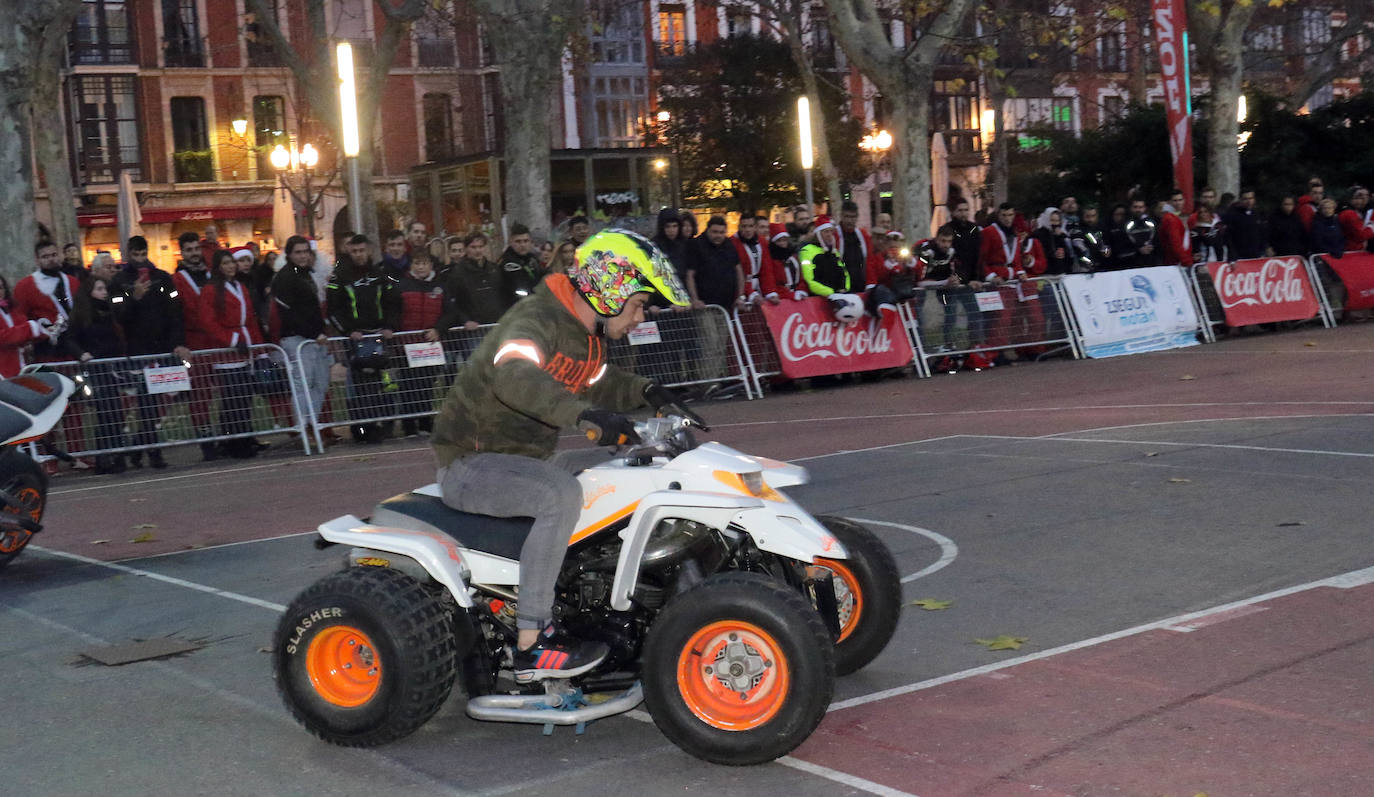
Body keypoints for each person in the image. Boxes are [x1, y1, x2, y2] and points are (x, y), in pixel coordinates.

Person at [430, 228, 692, 681]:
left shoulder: (585, 335)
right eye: (637, 305)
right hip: (472, 465)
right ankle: (532, 641)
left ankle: (614, 595)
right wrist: (584, 416)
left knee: (635, 468)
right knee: (560, 494)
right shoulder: (534, 320)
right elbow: (513, 376)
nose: (639, 318)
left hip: (528, 460)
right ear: (610, 291)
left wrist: (648, 392)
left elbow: (600, 381)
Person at [109, 236, 183, 469]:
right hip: (137, 350)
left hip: (162, 349)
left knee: (160, 402)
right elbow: (119, 314)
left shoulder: (163, 277)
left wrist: (178, 343)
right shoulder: (119, 281)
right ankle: (152, 451)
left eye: (143, 254)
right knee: (145, 403)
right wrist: (134, 298)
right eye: (136, 255)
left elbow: (175, 310)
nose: (140, 259)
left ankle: (140, 446)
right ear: (129, 253)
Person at [328, 234, 400, 444]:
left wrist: (389, 326)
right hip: (354, 339)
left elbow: (393, 302)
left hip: (378, 336)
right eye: (354, 251)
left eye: (362, 250)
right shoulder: (339, 275)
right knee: (358, 386)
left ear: (369, 250)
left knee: (383, 382)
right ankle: (361, 429)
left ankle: (384, 424)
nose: (359, 255)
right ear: (349, 251)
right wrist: (348, 331)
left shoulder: (380, 273)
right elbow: (333, 309)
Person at [200, 249, 265, 458]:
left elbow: (251, 320)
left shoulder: (240, 287)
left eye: (232, 263)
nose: (230, 267)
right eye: (226, 263)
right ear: (219, 267)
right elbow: (209, 322)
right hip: (228, 354)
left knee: (244, 398)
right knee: (233, 399)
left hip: (246, 349)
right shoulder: (211, 290)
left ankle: (243, 439)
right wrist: (233, 340)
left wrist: (259, 350)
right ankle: (235, 442)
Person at [272, 235, 335, 443]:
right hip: (297, 339)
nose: (302, 256)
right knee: (303, 385)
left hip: (315, 339)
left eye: (305, 251)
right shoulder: (284, 278)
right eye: (298, 252)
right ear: (289, 254)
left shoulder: (308, 274)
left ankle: (311, 423)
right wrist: (313, 333)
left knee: (320, 383)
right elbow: (289, 314)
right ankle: (301, 427)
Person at [169, 230, 222, 461]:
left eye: (196, 249)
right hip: (194, 341)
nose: (193, 254)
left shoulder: (212, 274)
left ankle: (231, 435)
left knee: (228, 389)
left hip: (217, 339)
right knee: (201, 395)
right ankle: (205, 439)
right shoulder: (176, 279)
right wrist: (180, 343)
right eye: (188, 250)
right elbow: (175, 313)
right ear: (181, 253)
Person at [70, 275, 128, 473]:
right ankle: (105, 457)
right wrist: (82, 354)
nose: (104, 292)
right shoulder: (83, 314)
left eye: (105, 288)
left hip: (110, 368)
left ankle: (116, 455)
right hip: (96, 370)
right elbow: (70, 338)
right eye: (100, 289)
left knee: (116, 413)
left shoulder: (109, 312)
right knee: (105, 414)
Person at [397, 254, 445, 437]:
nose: (421, 267)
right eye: (417, 262)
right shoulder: (402, 285)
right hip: (407, 344)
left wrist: (438, 329)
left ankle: (425, 421)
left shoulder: (439, 286)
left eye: (424, 263)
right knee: (408, 385)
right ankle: (409, 425)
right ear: (412, 265)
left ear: (430, 265)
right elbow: (395, 311)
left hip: (430, 345)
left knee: (427, 385)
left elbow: (449, 311)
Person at [917, 224, 983, 350]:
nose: (946, 245)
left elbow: (959, 269)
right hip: (922, 286)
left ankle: (950, 344)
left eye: (949, 241)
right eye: (943, 241)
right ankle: (920, 348)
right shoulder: (926, 252)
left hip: (943, 284)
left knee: (951, 309)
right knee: (918, 316)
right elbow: (919, 281)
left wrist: (958, 279)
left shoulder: (951, 252)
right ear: (936, 239)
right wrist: (944, 282)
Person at [437, 231, 510, 331]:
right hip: (474, 328)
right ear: (466, 249)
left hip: (496, 324)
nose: (478, 250)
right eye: (473, 247)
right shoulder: (458, 273)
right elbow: (452, 302)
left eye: (480, 246)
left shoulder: (494, 269)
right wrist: (465, 320)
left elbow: (503, 296)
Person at [0, 274, 48, 379]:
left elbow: (24, 326)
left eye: (1, 287)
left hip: (20, 368)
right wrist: (30, 328)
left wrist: (43, 330)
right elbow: (4, 337)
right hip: (4, 370)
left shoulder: (11, 309)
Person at [837, 200, 883, 297]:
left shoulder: (863, 235)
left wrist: (870, 284)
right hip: (841, 289)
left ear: (857, 217)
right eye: (847, 216)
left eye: (853, 217)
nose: (849, 221)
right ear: (841, 216)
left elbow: (869, 261)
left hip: (861, 287)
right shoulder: (834, 235)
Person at [731, 214, 774, 304]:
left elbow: (766, 270)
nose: (747, 230)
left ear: (755, 227)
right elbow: (735, 274)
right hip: (740, 291)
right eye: (744, 226)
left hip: (759, 288)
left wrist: (770, 292)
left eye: (750, 226)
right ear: (739, 227)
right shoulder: (732, 243)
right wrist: (751, 294)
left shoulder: (761, 242)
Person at [498, 223, 544, 301]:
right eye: (518, 241)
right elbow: (519, 288)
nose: (522, 245)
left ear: (530, 242)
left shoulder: (532, 259)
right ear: (511, 242)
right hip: (518, 305)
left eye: (525, 241)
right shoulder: (508, 263)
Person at [1222, 190, 1265, 259]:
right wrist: (1232, 255)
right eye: (1245, 199)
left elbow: (1262, 232)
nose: (1248, 201)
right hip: (1239, 256)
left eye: (1251, 198)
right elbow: (1228, 236)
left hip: (1256, 255)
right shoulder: (1232, 214)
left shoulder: (1258, 214)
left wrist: (1263, 250)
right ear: (1240, 200)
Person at [1338, 185, 1373, 253]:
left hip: (1352, 250)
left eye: (1361, 198)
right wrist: (1371, 227)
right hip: (1351, 251)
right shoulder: (1350, 213)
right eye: (1357, 198)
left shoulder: (1351, 211)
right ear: (1350, 199)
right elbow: (1361, 236)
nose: (1361, 200)